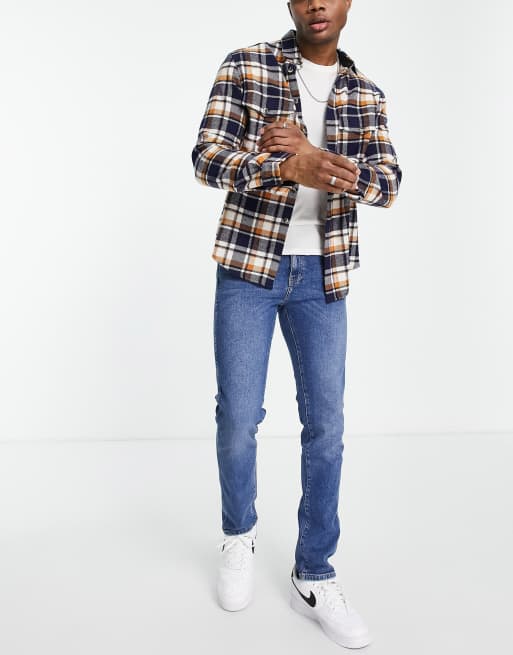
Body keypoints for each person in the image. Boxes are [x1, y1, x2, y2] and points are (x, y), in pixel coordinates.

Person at [191, 0, 402, 648]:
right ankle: (238, 535)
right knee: (238, 417)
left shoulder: (365, 93)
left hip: (323, 276)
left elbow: (388, 183)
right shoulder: (247, 65)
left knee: (327, 427)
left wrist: (314, 154)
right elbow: (206, 158)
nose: (317, 3)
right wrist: (281, 167)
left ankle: (314, 572)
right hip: (249, 268)